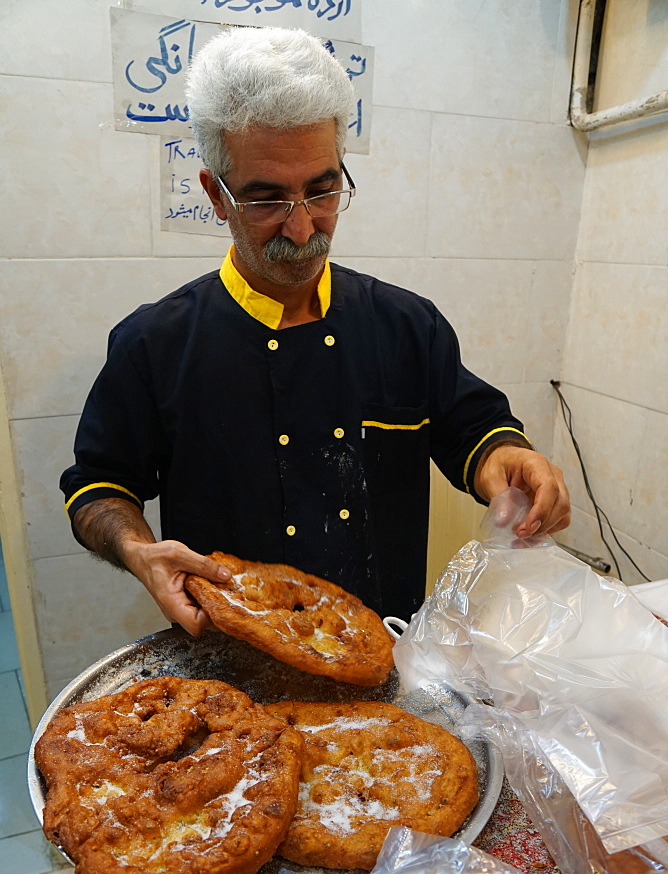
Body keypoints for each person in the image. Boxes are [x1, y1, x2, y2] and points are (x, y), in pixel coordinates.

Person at [60, 26, 569, 636]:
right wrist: (139, 551)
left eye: (323, 189)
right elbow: (98, 488)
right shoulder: (155, 344)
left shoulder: (405, 324)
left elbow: (473, 430)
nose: (302, 229)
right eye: (265, 199)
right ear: (215, 196)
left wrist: (508, 461)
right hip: (231, 663)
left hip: (380, 650)